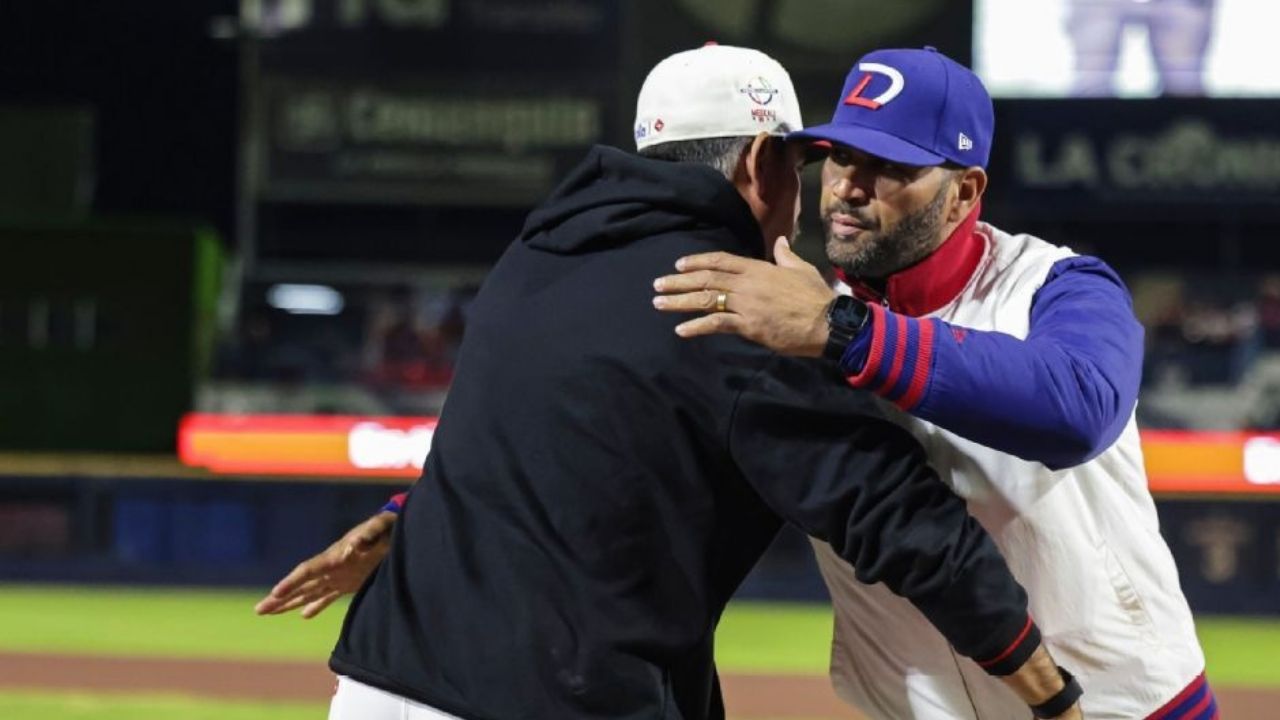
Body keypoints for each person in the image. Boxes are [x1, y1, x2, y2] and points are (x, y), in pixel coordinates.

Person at [257, 45, 1081, 720]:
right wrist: (1053, 697)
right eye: (804, 160)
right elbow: (903, 521)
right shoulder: (733, 309)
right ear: (764, 162)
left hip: (377, 682)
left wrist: (406, 517)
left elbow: (531, 439)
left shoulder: (535, 260)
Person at [652, 46, 1214, 719]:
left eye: (890, 166)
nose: (848, 186)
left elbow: (1078, 408)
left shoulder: (1056, 284)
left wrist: (846, 330)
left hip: (1119, 706)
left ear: (964, 193)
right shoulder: (798, 320)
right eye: (839, 156)